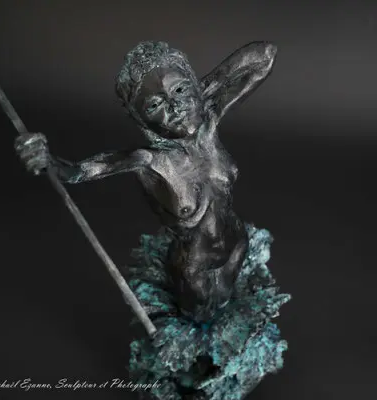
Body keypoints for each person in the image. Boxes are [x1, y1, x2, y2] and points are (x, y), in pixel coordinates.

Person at [15, 40, 277, 323]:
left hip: (237, 242)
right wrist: (47, 160)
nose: (175, 107)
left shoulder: (210, 124)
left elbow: (264, 56)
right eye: (155, 105)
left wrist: (202, 90)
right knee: (200, 321)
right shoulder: (149, 160)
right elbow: (80, 171)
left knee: (227, 306)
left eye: (179, 90)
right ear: (140, 119)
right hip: (194, 267)